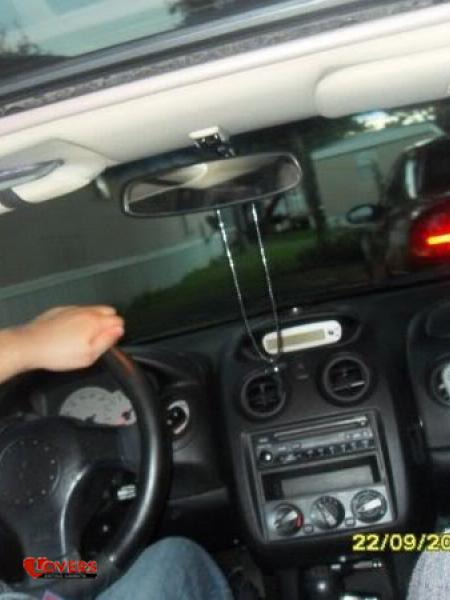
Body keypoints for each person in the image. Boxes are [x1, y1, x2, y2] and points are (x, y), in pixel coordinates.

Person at [0, 305, 233, 600]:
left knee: (55, 572)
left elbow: (40, 576)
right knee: (174, 559)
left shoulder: (40, 568)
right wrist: (32, 341)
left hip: (31, 579)